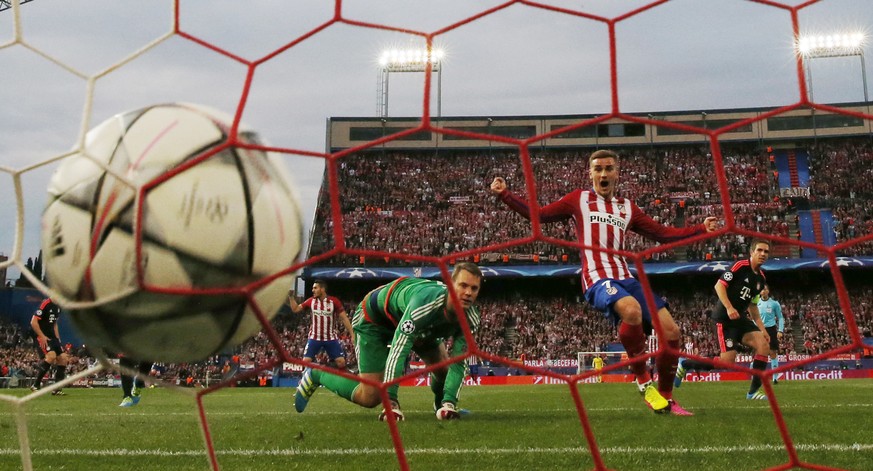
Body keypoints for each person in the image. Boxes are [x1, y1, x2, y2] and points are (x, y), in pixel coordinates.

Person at [490, 149, 717, 415]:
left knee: (672, 333)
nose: (603, 173)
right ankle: (644, 382)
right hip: (597, 276)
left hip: (626, 276)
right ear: (591, 174)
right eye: (598, 169)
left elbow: (663, 235)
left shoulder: (627, 208)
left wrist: (700, 228)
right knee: (631, 311)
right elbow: (539, 215)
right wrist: (505, 195)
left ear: (617, 173)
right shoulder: (579, 199)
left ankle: (666, 397)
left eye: (608, 168)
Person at [294, 262, 483, 421]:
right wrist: (391, 402)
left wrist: (450, 403)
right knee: (371, 397)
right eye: (463, 286)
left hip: (416, 323)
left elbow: (459, 361)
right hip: (374, 321)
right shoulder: (424, 305)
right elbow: (399, 349)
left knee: (443, 369)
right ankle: (317, 373)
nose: (468, 292)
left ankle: (441, 406)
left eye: (474, 288)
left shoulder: (472, 318)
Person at [675, 239, 772, 400]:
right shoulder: (740, 266)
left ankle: (753, 392)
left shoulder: (761, 279)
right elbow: (719, 286)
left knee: (763, 346)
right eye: (759, 250)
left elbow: (753, 307)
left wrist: (763, 329)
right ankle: (685, 364)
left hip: (740, 319)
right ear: (752, 252)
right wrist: (729, 307)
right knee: (728, 362)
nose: (762, 254)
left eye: (766, 252)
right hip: (724, 319)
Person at [288, 279, 354, 370]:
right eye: (312, 288)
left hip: (330, 337)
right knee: (305, 362)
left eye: (315, 288)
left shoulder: (334, 302)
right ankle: (308, 381)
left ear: (322, 289)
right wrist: (291, 297)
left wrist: (352, 334)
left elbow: (344, 318)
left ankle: (337, 381)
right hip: (315, 337)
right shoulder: (311, 301)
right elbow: (295, 309)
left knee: (341, 362)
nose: (312, 290)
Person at [30, 298, 70, 395]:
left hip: (52, 337)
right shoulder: (45, 304)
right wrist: (42, 336)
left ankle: (57, 389)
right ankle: (36, 384)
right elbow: (33, 322)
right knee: (51, 356)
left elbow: (54, 323)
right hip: (42, 336)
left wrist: (58, 339)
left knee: (63, 358)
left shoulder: (58, 306)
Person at [757, 284, 784, 383]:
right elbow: (754, 317)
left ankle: (775, 377)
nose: (763, 291)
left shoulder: (774, 303)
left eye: (765, 289)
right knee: (759, 353)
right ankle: (758, 375)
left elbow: (780, 317)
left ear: (768, 291)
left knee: (773, 352)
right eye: (761, 290)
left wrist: (780, 330)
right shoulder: (756, 303)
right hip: (760, 330)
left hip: (771, 329)